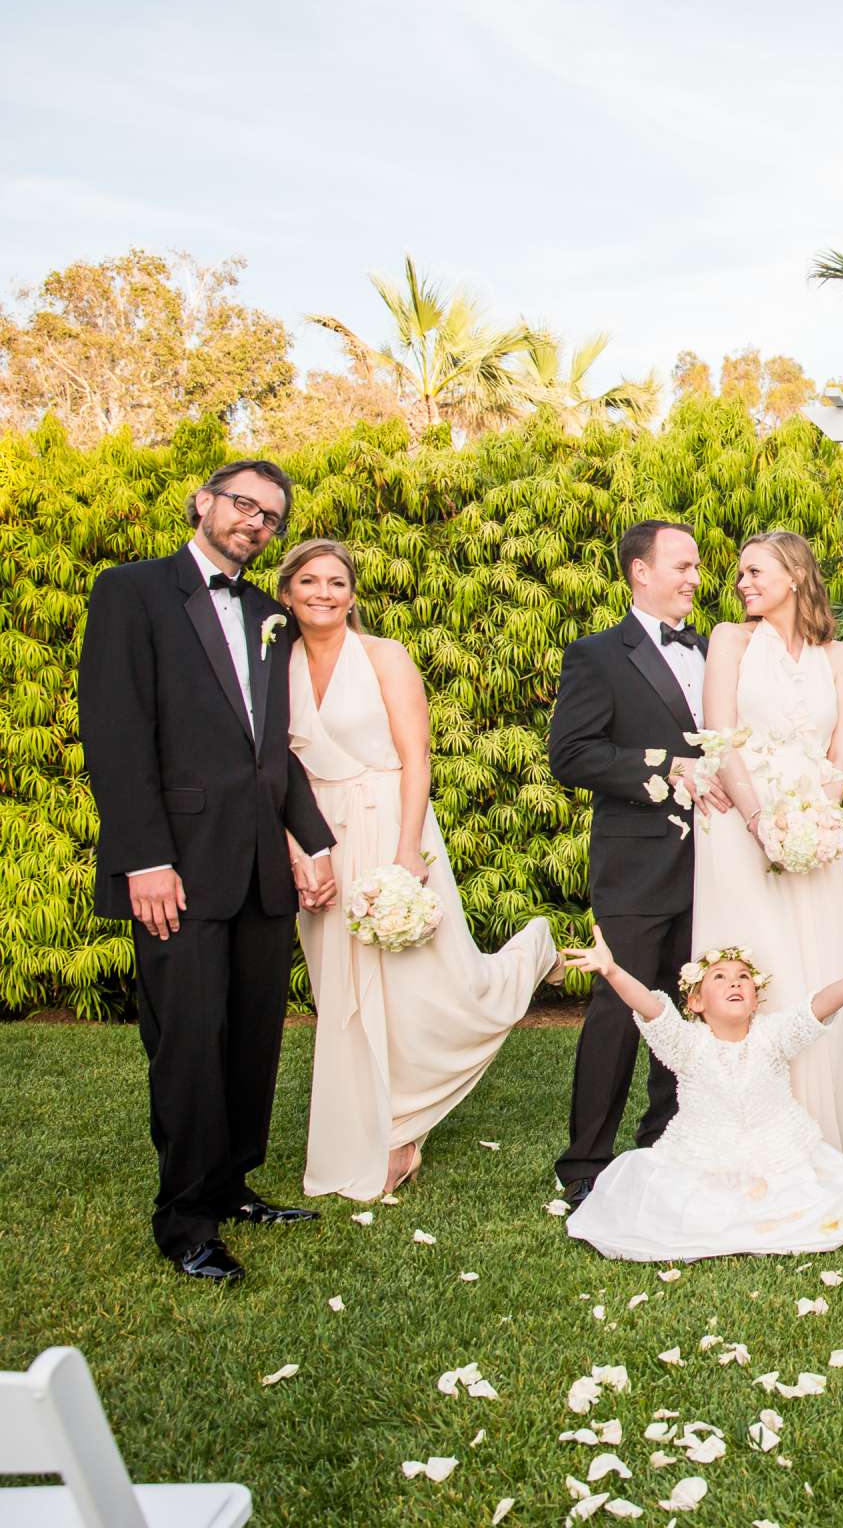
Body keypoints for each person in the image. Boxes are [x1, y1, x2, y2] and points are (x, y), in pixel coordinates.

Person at [78, 457, 338, 1281]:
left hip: (260, 863)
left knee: (253, 1035)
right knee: (189, 1039)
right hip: (176, 867)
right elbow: (115, 734)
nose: (254, 522)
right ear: (204, 503)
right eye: (241, 505)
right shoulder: (132, 591)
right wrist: (143, 858)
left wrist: (313, 840)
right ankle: (185, 1218)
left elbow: (276, 750)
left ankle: (232, 1185)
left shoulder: (269, 614)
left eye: (269, 516)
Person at [278, 538, 560, 1200]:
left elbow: (417, 756)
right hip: (317, 836)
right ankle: (373, 1133)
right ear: (287, 592)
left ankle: (402, 1134)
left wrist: (408, 851)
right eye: (310, 581)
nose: (324, 592)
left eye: (337, 581)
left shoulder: (383, 656)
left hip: (388, 822)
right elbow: (275, 767)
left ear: (352, 594)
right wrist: (297, 847)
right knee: (342, 992)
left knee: (417, 985)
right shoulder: (276, 666)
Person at [548, 520, 722, 1208]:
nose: (693, 578)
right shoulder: (597, 654)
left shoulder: (715, 649)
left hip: (713, 864)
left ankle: (666, 1140)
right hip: (636, 862)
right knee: (618, 1010)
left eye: (697, 567)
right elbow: (572, 754)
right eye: (681, 565)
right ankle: (585, 1162)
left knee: (690, 1008)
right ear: (639, 571)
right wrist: (663, 766)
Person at [558, 932, 843, 1261]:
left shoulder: (771, 1036)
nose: (734, 982)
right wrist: (613, 971)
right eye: (719, 978)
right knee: (685, 1210)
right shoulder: (688, 1044)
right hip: (703, 1156)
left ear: (755, 998)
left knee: (814, 1201)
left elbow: (814, 1010)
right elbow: (652, 1009)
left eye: (742, 977)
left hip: (776, 1155)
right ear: (695, 1001)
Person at [689, 531, 843, 1152]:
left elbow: (841, 750)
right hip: (739, 827)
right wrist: (761, 821)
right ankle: (748, 1138)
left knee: (816, 964)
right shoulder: (730, 640)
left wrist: (819, 823)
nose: (743, 583)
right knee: (761, 967)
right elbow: (720, 735)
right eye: (740, 575)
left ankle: (817, 1137)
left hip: (812, 833)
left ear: (794, 575)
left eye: (756, 572)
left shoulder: (838, 655)